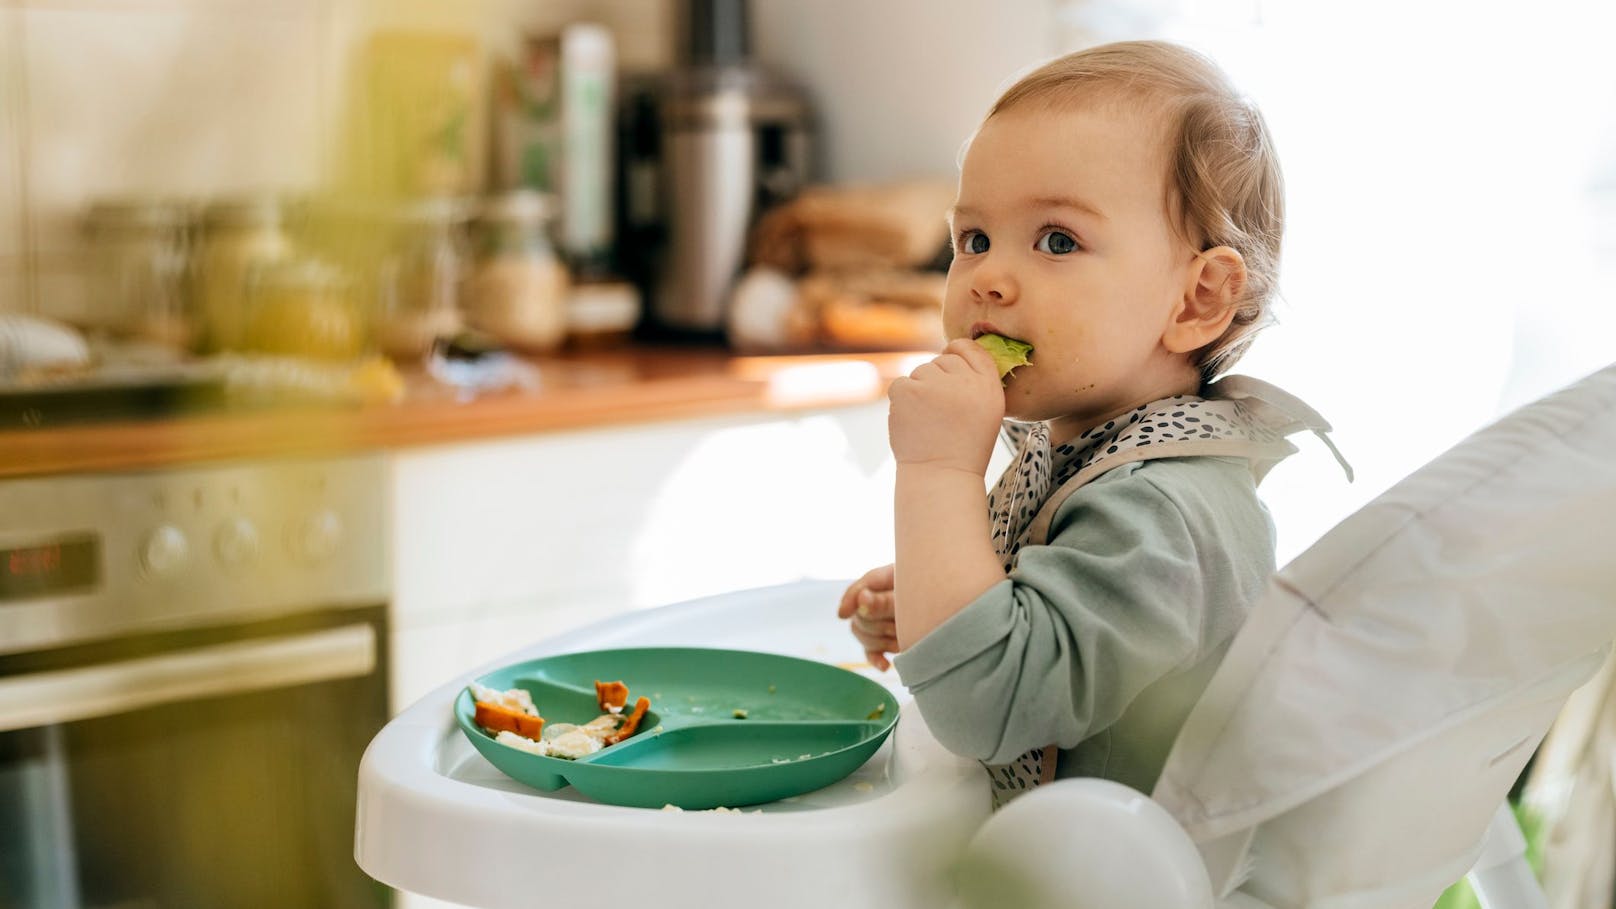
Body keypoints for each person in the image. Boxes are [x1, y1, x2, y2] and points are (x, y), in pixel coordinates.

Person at [836, 39, 1351, 806]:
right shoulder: (1096, 451)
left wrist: (937, 471)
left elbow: (986, 707)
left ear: (1197, 300)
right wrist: (940, 597)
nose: (989, 280)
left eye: (1057, 240)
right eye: (972, 239)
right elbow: (1058, 648)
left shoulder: (1165, 513)